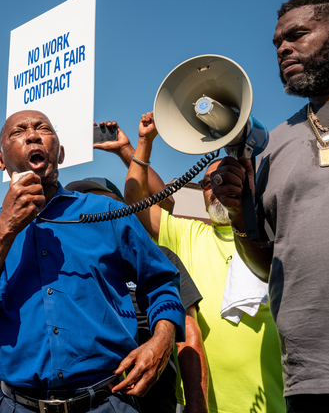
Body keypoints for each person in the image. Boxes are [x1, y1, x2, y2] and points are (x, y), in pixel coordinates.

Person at [0, 109, 186, 413]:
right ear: (1, 161)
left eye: (43, 128)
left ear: (61, 153)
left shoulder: (107, 212)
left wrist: (163, 337)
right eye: (18, 132)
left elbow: (160, 281)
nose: (32, 135)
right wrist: (5, 227)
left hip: (107, 403)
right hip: (17, 405)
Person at [210, 0, 329, 412]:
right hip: (310, 374)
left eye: (297, 35)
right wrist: (238, 210)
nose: (282, 48)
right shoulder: (274, 144)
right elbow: (268, 263)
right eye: (277, 42)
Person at [119, 113, 285, 413]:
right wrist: (141, 144)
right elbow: (137, 202)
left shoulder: (274, 233)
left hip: (278, 399)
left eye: (226, 178)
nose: (218, 187)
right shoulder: (187, 234)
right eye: (209, 183)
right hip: (202, 403)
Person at [65, 177, 208, 413]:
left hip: (156, 400)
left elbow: (188, 335)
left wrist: (196, 404)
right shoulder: (72, 269)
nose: (96, 214)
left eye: (103, 205)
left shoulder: (160, 257)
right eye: (85, 207)